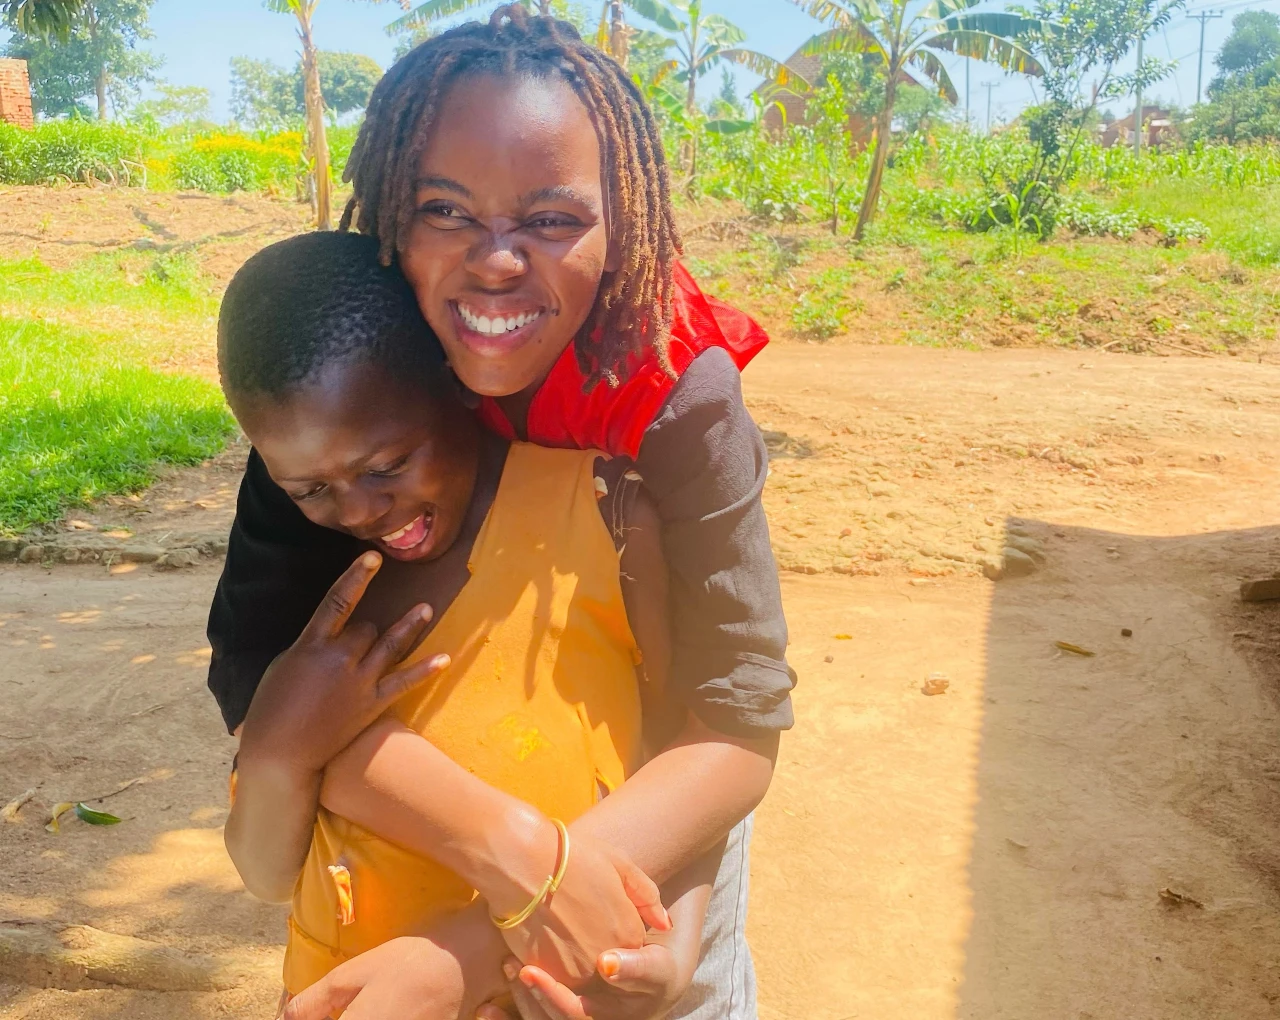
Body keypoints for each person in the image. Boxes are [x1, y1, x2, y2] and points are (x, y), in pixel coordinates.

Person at [206, 7, 794, 1018]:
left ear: (621, 225)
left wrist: (476, 945)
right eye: (444, 210)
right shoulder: (353, 377)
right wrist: (495, 846)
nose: (494, 260)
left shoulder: (668, 389)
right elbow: (268, 694)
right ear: (391, 222)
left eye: (552, 219)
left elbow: (732, 709)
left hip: (655, 824)